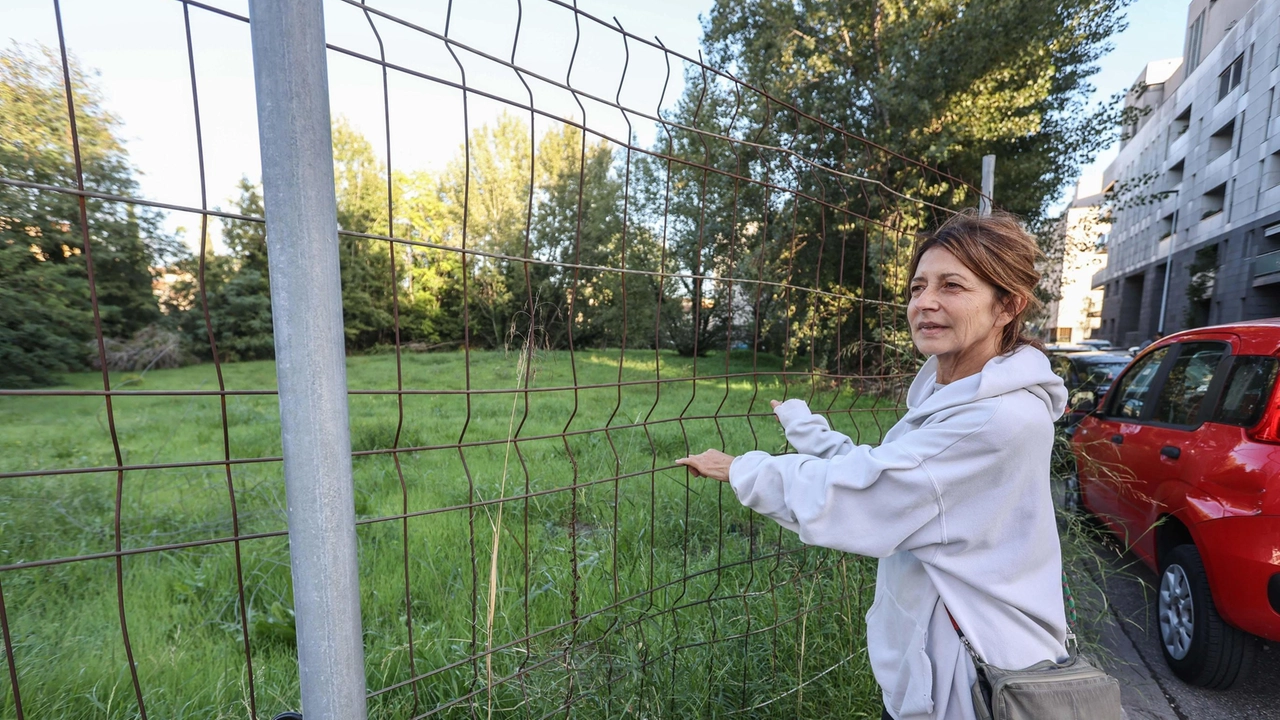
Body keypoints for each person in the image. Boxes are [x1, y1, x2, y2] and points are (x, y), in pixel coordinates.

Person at [676, 209, 1070, 720]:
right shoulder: (955, 399)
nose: (925, 303)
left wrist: (741, 469)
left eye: (952, 286)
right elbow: (893, 473)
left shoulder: (992, 418)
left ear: (1006, 306)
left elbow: (868, 497)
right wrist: (806, 429)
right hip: (941, 665)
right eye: (916, 287)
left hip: (973, 682)